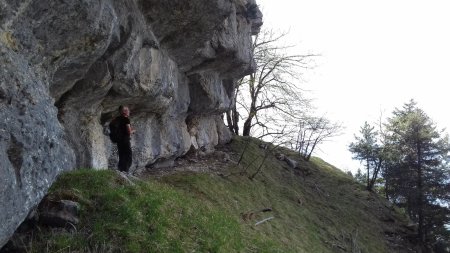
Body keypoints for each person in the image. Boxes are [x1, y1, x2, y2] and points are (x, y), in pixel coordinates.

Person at [115, 105, 135, 173]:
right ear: (124, 112)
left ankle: (120, 170)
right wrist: (134, 131)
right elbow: (129, 132)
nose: (128, 111)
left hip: (119, 140)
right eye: (127, 110)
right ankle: (125, 171)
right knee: (128, 156)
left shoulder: (117, 119)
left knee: (121, 155)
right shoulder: (126, 119)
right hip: (125, 140)